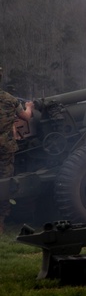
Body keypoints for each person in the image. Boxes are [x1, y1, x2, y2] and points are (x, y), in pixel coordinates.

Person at [0, 67, 34, 235]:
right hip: (5, 149)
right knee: (4, 184)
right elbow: (27, 117)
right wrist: (29, 106)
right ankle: (0, 223)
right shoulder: (11, 100)